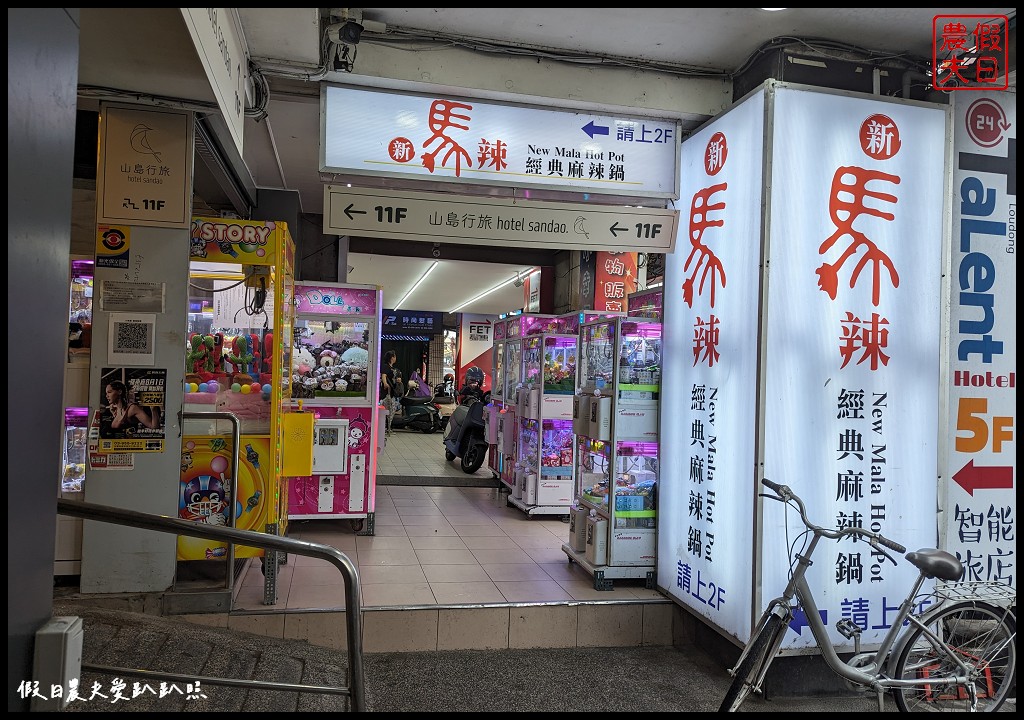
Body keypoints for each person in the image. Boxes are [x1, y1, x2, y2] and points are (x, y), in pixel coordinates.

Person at [380, 350, 398, 434]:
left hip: (392, 391)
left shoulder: (392, 368)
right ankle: (385, 427)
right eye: (394, 356)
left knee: (392, 409)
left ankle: (389, 427)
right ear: (391, 358)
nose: (395, 358)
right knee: (387, 408)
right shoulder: (386, 367)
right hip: (387, 392)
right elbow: (383, 375)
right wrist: (385, 383)